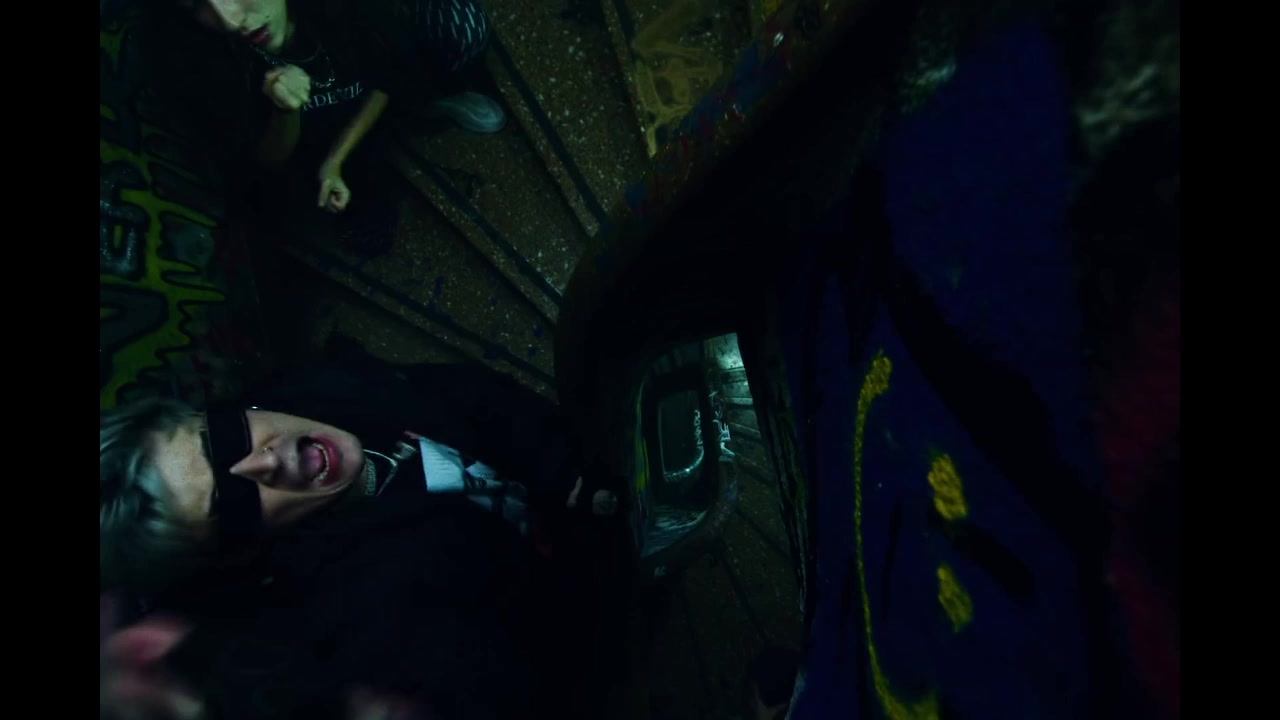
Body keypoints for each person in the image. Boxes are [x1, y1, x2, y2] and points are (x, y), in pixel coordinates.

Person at [101, 338, 623, 718]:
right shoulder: (372, 610)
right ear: (236, 553)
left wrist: (561, 468)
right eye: (235, 503)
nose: (267, 460)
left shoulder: (316, 390)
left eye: (222, 437)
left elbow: (463, 395)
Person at [135, 0, 506, 256]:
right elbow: (265, 161)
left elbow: (387, 76)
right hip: (309, 158)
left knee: (456, 27)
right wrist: (285, 111)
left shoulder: (347, 13)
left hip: (377, 106)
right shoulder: (204, 62)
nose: (231, 20)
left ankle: (430, 100)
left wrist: (336, 159)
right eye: (196, 4)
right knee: (365, 226)